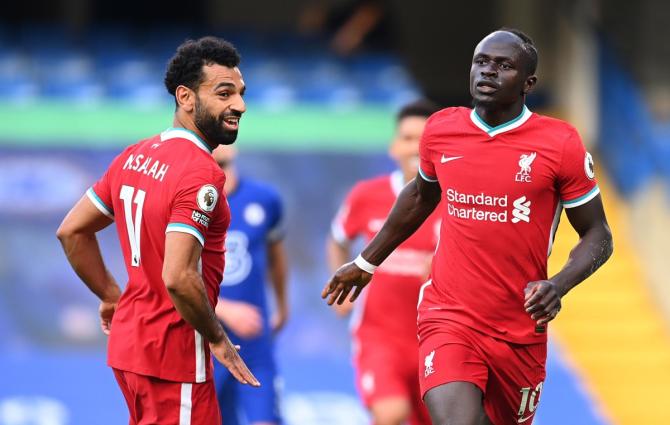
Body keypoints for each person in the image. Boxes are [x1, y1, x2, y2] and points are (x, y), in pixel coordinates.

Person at [322, 28, 613, 425]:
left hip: (519, 327)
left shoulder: (559, 144)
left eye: (504, 65)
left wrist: (558, 285)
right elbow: (420, 196)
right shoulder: (442, 130)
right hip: (449, 315)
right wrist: (366, 261)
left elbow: (598, 234)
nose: (488, 72)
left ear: (528, 82)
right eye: (481, 62)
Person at [56, 37, 260, 425]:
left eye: (241, 93)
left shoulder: (135, 155)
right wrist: (218, 339)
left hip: (131, 347)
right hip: (174, 353)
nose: (239, 105)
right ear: (185, 97)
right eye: (224, 93)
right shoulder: (201, 174)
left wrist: (112, 295)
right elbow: (179, 277)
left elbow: (72, 232)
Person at [326, 100, 441, 425]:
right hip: (378, 337)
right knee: (391, 414)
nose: (415, 147)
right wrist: (342, 289)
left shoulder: (454, 202)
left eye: (424, 140)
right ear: (394, 147)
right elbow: (337, 238)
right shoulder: (368, 195)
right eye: (407, 138)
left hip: (435, 341)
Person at [211, 145, 288, 425]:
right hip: (204, 339)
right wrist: (223, 309)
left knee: (264, 419)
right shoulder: (185, 201)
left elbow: (276, 258)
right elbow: (172, 273)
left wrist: (282, 305)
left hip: (254, 340)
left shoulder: (264, 199)